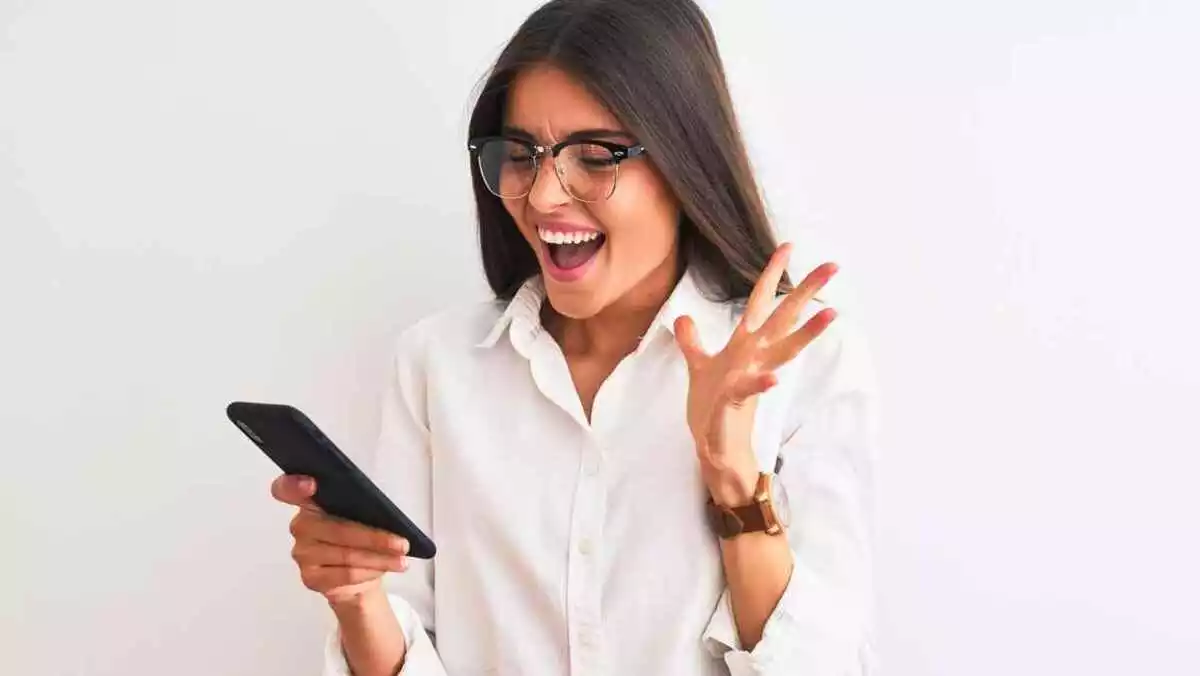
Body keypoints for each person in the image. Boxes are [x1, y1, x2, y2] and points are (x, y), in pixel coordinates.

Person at [270, 0, 879, 674]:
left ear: (686, 162)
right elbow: (412, 644)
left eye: (595, 156)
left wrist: (733, 478)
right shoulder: (436, 366)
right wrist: (357, 598)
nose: (543, 197)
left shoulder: (803, 365)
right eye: (522, 154)